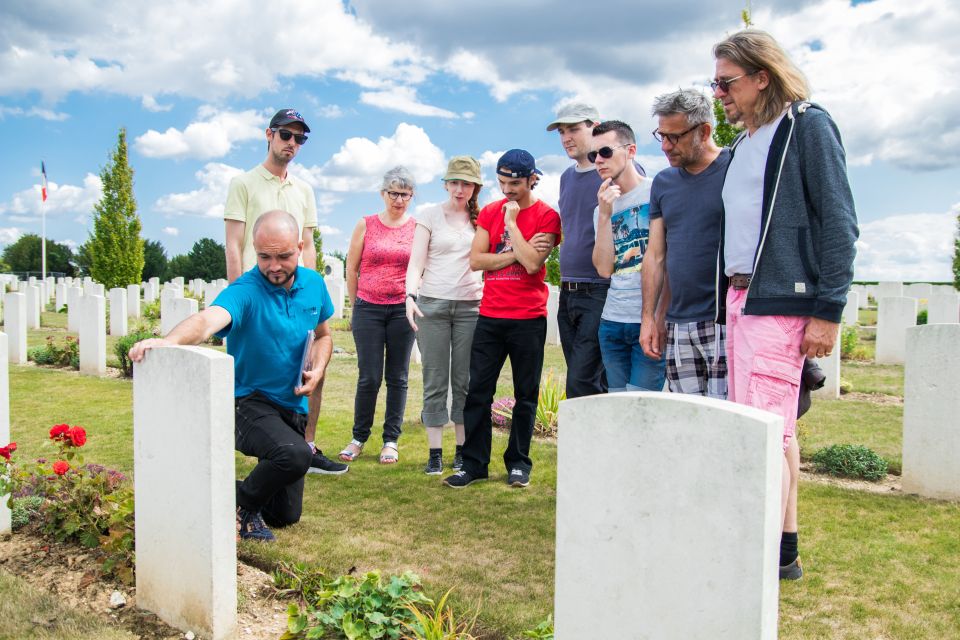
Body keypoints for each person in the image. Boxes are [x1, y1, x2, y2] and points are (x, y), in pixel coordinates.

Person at [712, 29, 859, 580]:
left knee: (764, 432)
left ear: (762, 76)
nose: (719, 93)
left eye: (727, 82)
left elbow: (839, 223)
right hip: (741, 296)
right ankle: (783, 549)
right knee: (775, 430)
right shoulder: (744, 144)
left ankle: (755, 556)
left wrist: (828, 309)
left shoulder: (807, 127)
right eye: (715, 82)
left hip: (781, 299)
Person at [129, 210, 335, 542]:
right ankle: (243, 510)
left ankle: (217, 491)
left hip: (293, 405)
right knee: (295, 455)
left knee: (286, 515)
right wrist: (168, 342)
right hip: (248, 403)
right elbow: (208, 320)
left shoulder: (314, 285)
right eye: (264, 257)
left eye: (283, 256)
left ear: (299, 247)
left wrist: (319, 367)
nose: (274, 266)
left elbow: (324, 335)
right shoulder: (245, 291)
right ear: (254, 249)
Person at [223, 109, 344, 475]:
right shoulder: (243, 184)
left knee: (312, 368)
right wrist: (236, 301)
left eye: (300, 138)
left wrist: (311, 290)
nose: (292, 143)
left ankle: (306, 444)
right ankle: (271, 445)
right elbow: (233, 244)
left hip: (297, 294)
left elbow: (308, 243)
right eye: (286, 135)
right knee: (260, 377)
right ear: (269, 135)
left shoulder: (304, 190)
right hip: (258, 294)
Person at [443, 149, 560, 489]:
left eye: (516, 183)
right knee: (478, 392)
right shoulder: (490, 212)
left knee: (526, 394)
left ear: (532, 179)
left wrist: (511, 226)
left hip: (529, 317)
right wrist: (516, 253)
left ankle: (519, 463)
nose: (508, 189)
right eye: (503, 182)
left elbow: (535, 265)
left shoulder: (547, 216)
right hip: (491, 316)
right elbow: (477, 261)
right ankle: (474, 464)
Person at [640, 89, 730, 399]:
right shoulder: (664, 182)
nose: (665, 146)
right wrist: (650, 318)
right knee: (687, 425)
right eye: (660, 136)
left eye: (674, 137)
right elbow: (655, 256)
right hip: (679, 323)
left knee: (729, 422)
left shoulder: (737, 167)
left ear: (704, 131)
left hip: (726, 320)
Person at [404, 157, 484, 475]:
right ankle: (435, 453)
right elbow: (416, 263)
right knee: (435, 381)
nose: (460, 189)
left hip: (470, 308)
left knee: (463, 382)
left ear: (475, 186)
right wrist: (410, 295)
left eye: (466, 183)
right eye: (454, 182)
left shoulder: (483, 218)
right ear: (446, 183)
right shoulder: (429, 216)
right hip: (432, 306)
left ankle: (462, 451)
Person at [339, 167, 418, 465]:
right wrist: (354, 303)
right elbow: (351, 266)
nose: (399, 200)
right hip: (368, 308)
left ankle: (391, 440)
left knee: (397, 377)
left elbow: (420, 267)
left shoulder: (417, 227)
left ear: (412, 196)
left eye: (405, 194)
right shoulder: (366, 224)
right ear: (383, 194)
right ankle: (359, 436)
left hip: (402, 308)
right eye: (393, 193)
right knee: (369, 377)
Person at [590, 121, 665, 393]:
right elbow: (603, 269)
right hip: (612, 322)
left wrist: (659, 317)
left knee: (643, 409)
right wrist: (605, 215)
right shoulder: (601, 208)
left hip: (650, 320)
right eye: (593, 155)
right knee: (618, 410)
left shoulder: (657, 191)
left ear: (631, 150)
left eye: (605, 152)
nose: (598, 160)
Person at [546, 103, 609, 398]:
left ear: (595, 126)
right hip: (567, 291)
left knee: (581, 384)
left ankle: (581, 444)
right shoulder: (565, 178)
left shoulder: (614, 170)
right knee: (586, 380)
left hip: (600, 290)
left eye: (573, 129)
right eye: (561, 132)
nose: (566, 137)